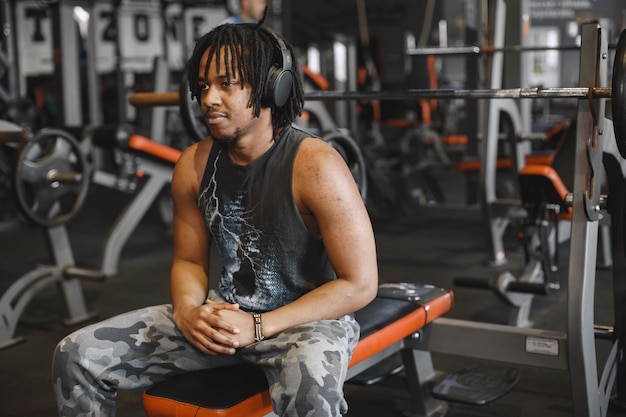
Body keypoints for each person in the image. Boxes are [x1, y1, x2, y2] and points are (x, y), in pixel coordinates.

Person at [52, 21, 378, 417]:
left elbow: (360, 283)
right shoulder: (192, 165)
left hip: (305, 322)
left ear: (272, 86)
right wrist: (189, 312)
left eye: (227, 84)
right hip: (224, 317)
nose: (209, 99)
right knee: (76, 356)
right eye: (204, 86)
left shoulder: (317, 165)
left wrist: (259, 327)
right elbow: (189, 261)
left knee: (309, 392)